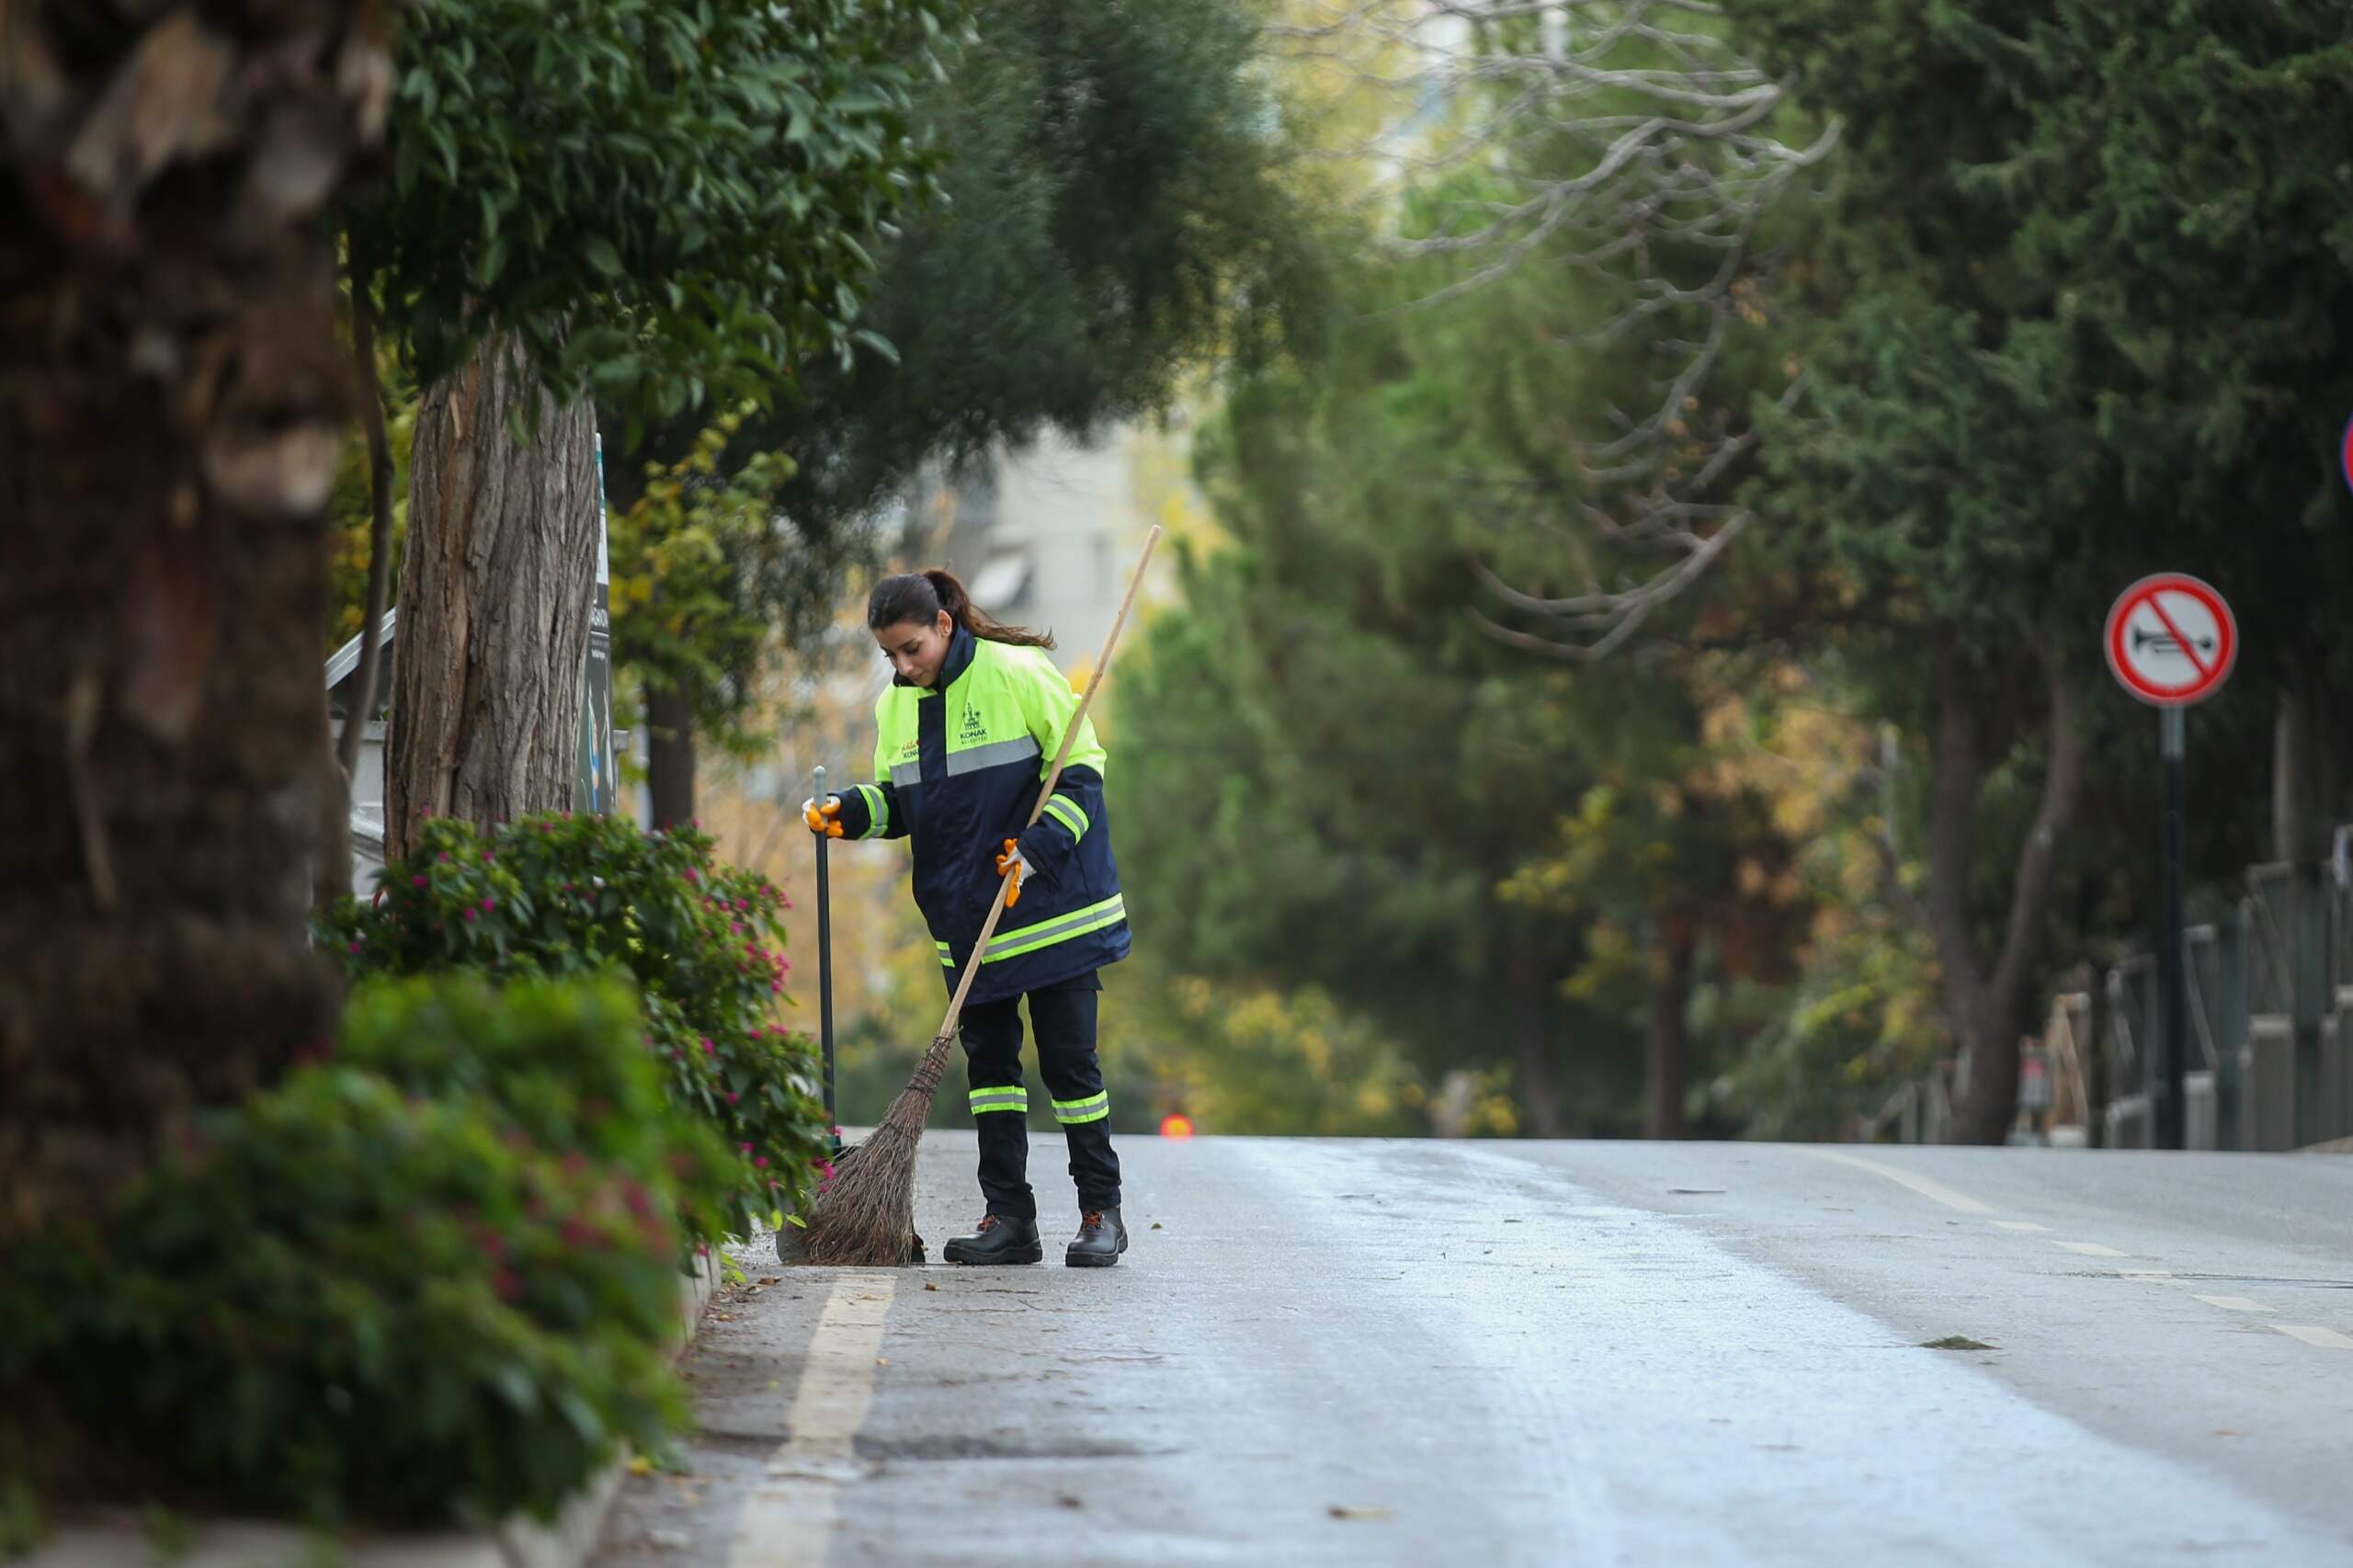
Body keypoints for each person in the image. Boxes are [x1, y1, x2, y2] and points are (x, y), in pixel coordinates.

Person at [804, 568, 1131, 1267]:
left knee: (1071, 1066)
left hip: (1052, 912)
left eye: (911, 649)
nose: (901, 666)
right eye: (889, 655)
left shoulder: (1018, 672)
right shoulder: (896, 708)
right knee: (990, 1070)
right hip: (965, 920)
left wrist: (1035, 851)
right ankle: (1009, 1218)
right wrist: (852, 812)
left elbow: (1082, 771)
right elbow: (904, 803)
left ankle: (1101, 1211)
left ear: (945, 626)